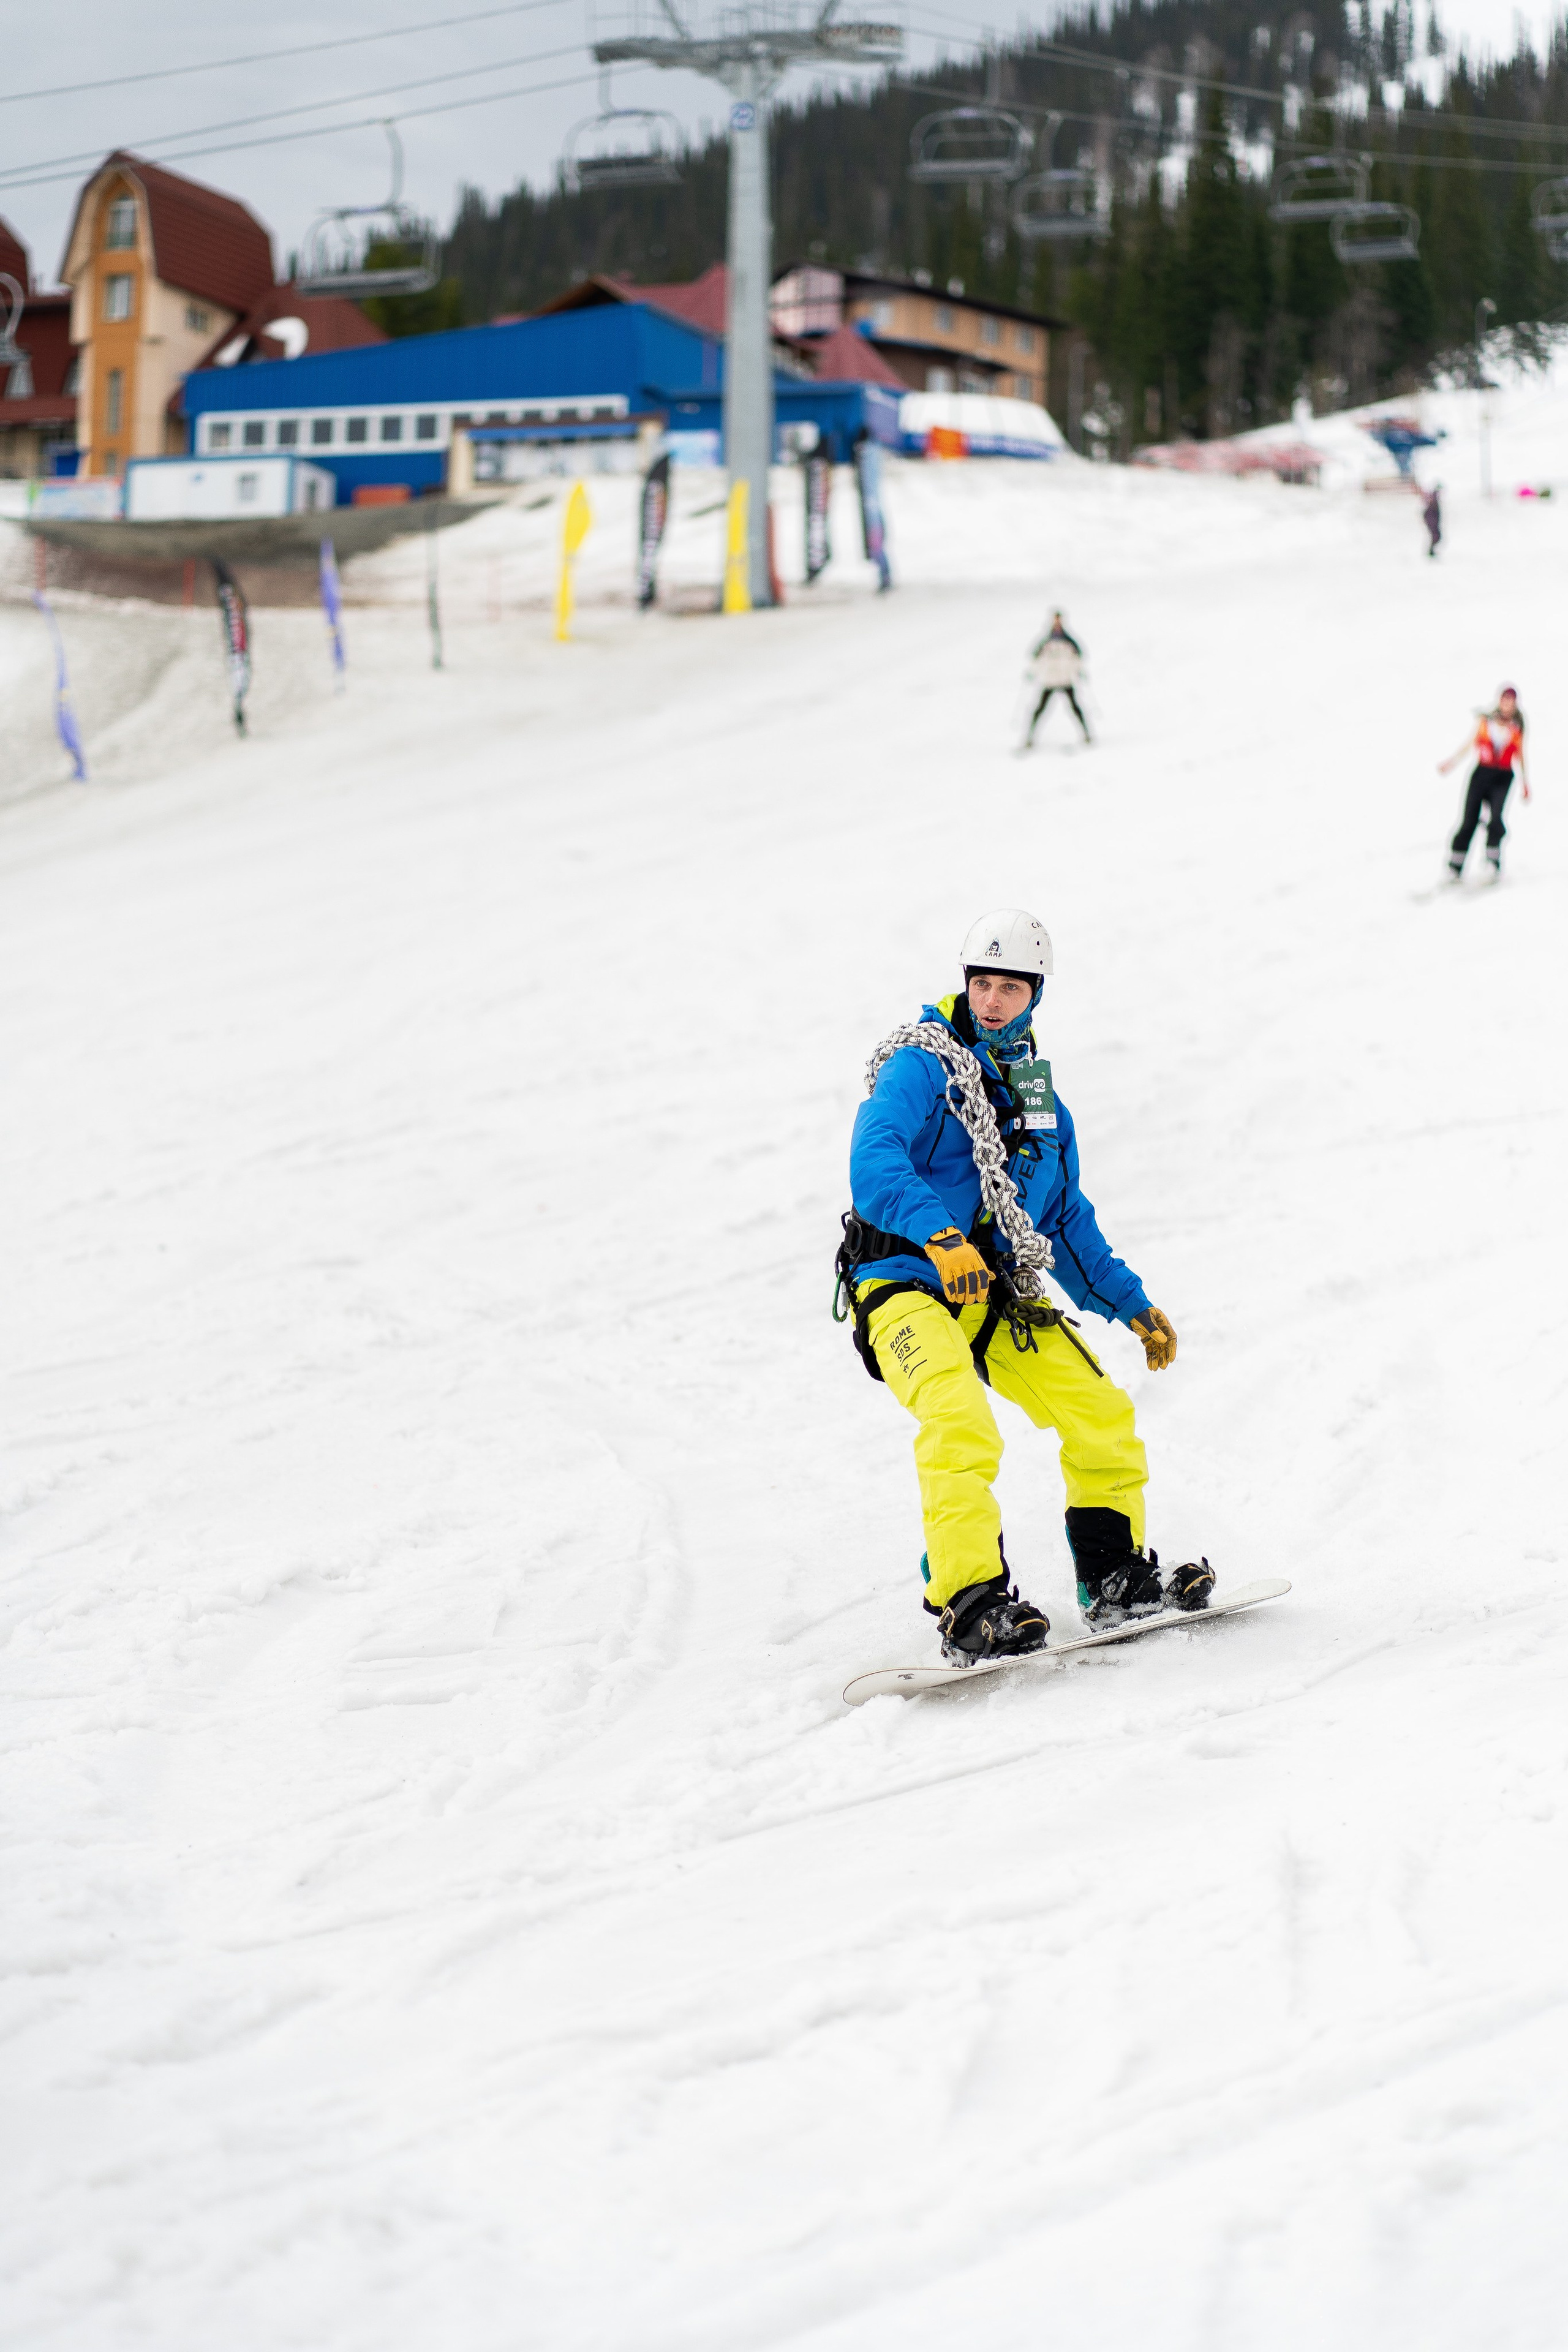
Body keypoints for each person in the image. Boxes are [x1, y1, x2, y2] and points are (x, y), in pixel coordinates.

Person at [837, 907, 1212, 1664]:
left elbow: (1064, 1217)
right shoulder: (921, 1065)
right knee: (958, 1421)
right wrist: (940, 1237)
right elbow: (875, 1158)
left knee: (1098, 1409)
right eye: (981, 983)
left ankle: (1111, 1577)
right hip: (904, 1281)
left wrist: (1130, 1303)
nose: (991, 1001)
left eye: (1010, 988)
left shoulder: (1041, 1105)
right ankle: (969, 1601)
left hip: (992, 1291)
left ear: (1034, 995)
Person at [1439, 686, 1530, 883]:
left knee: (1496, 818)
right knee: (1469, 819)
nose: (1507, 705)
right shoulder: (1486, 721)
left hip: (1503, 777)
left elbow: (1521, 754)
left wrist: (1525, 783)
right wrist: (1451, 762)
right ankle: (1455, 864)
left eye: (1511, 702)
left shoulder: (1517, 725)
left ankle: (1492, 861)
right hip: (1482, 774)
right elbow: (1469, 744)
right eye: (1505, 700)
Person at [1022, 611, 1091, 747]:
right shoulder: (1046, 641)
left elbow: (1077, 658)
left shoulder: (1068, 641)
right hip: (1050, 680)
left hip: (1065, 679)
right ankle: (1030, 737)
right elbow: (1036, 659)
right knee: (1040, 709)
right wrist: (1033, 672)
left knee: (1075, 708)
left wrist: (1079, 671)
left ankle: (1086, 734)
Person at [1422, 485, 1442, 558]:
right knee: (1436, 536)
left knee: (1436, 536)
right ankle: (1431, 552)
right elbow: (1428, 514)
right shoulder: (1433, 502)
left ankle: (1431, 551)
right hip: (1432, 522)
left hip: (1433, 522)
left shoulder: (1434, 501)